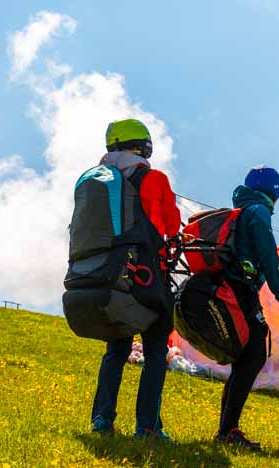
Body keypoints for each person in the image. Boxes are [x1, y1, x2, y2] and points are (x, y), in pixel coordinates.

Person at [90, 119, 181, 438]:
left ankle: (101, 420)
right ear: (142, 147)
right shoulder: (154, 178)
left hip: (111, 274)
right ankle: (147, 426)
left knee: (116, 349)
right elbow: (172, 226)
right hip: (147, 276)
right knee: (156, 349)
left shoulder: (101, 180)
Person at [215, 165, 279, 450]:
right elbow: (268, 257)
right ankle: (228, 431)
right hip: (241, 290)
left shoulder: (242, 209)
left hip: (232, 288)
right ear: (274, 193)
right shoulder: (259, 213)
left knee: (246, 358)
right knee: (253, 357)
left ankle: (226, 429)